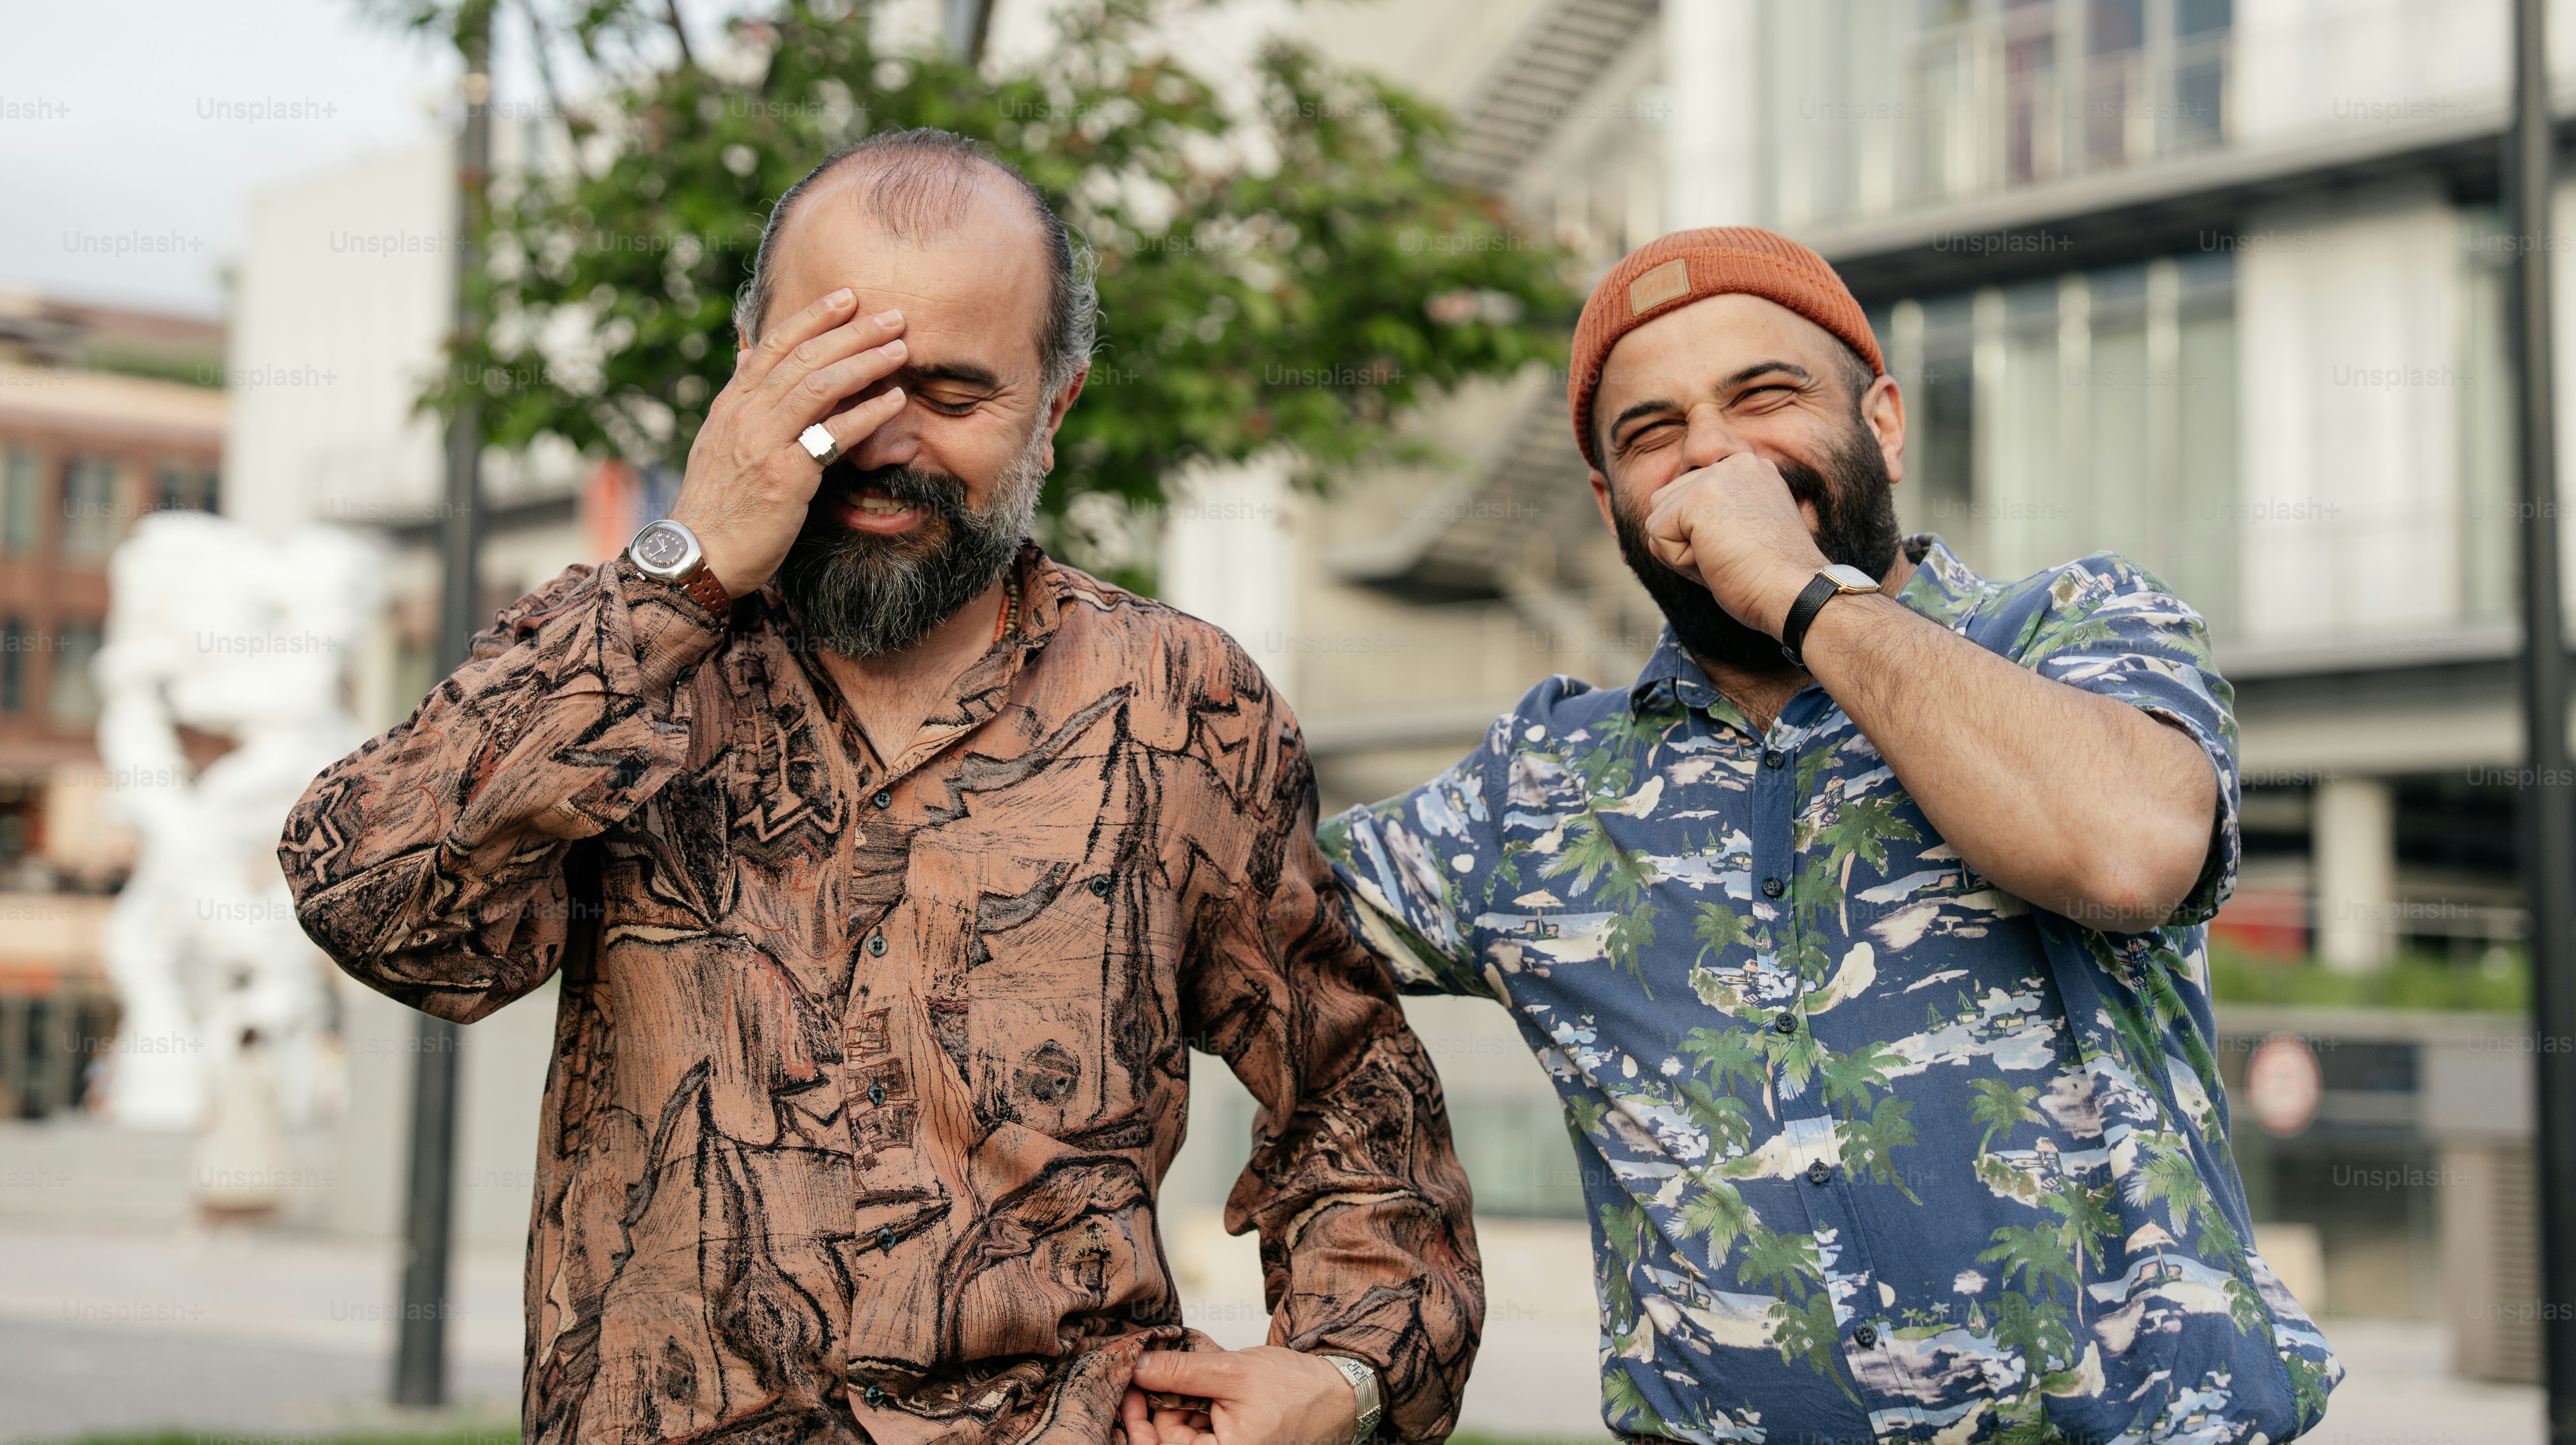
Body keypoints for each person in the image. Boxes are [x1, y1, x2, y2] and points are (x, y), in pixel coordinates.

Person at [278, 131, 1481, 1445]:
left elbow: (1358, 1098)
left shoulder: (1182, 701)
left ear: (1056, 408)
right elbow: (371, 900)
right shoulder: (617, 654)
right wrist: (685, 572)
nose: (883, 437)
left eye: (954, 395)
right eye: (839, 378)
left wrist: (1344, 1376)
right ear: (750, 368)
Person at [1318, 228, 2344, 1444]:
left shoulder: (2071, 628)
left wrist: (1802, 594)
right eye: (1652, 433)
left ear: (1885, 424)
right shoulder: (1534, 788)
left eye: (1764, 397)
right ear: (1612, 506)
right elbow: (1198, 901)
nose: (1712, 451)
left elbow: (2128, 848)